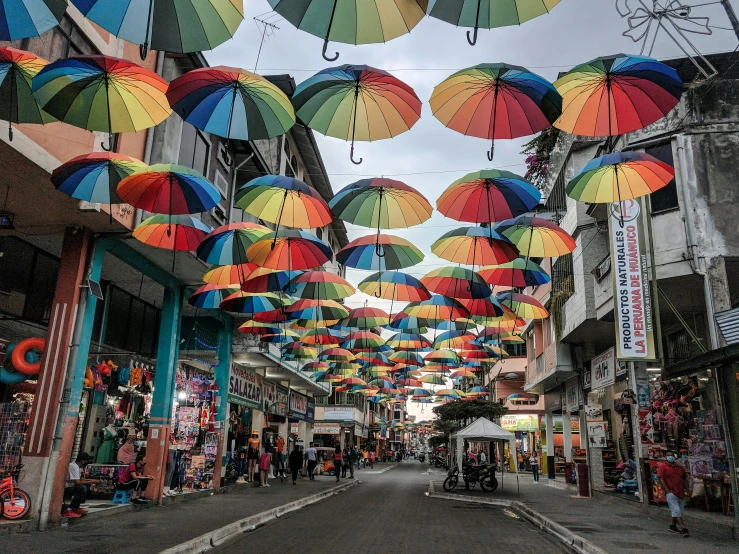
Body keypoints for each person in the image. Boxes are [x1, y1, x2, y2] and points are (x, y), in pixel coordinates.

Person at [657, 453, 691, 536]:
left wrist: (687, 490)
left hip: (681, 492)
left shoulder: (679, 468)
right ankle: (683, 528)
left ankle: (673, 526)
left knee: (678, 512)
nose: (671, 457)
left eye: (672, 455)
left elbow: (684, 479)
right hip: (671, 492)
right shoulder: (663, 466)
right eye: (669, 455)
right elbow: (661, 479)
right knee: (676, 510)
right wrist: (667, 490)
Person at [64, 452, 99, 518]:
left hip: (71, 485)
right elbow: (77, 482)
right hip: (67, 487)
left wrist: (91, 481)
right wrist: (91, 482)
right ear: (83, 461)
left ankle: (76, 507)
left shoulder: (77, 467)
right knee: (82, 488)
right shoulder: (74, 467)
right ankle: (70, 509)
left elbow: (80, 479)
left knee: (85, 487)